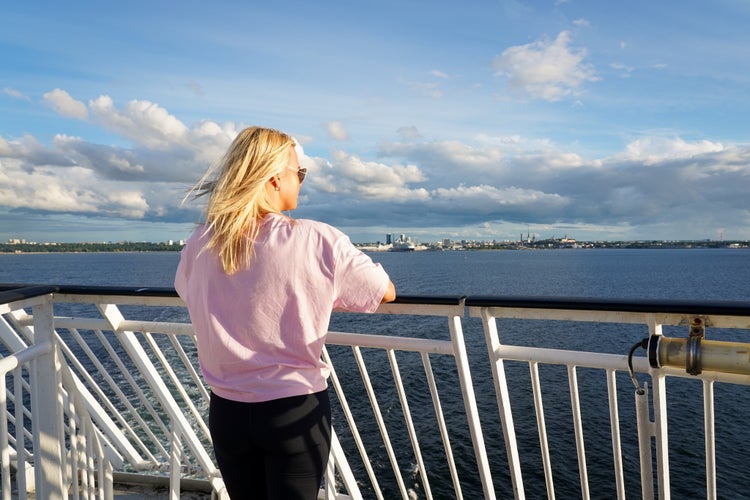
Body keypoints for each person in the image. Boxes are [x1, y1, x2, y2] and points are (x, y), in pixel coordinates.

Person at [174, 126, 396, 499]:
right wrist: (318, 293)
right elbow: (383, 291)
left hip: (227, 411)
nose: (301, 180)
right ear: (276, 178)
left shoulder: (201, 241)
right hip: (292, 409)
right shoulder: (316, 239)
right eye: (299, 172)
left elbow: (188, 292)